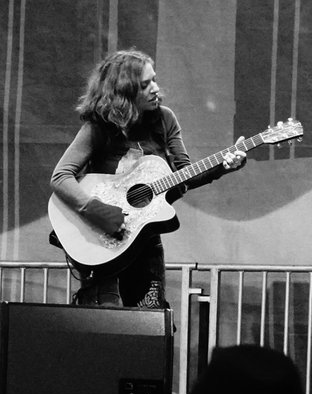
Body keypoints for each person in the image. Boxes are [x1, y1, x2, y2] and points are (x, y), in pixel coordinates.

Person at [51, 49, 247, 307]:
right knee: (103, 321)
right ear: (124, 91)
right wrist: (96, 210)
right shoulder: (99, 126)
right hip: (99, 237)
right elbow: (61, 176)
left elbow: (183, 175)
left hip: (145, 240)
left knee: (148, 322)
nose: (155, 88)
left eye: (153, 79)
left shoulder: (164, 119)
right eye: (145, 85)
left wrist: (223, 166)